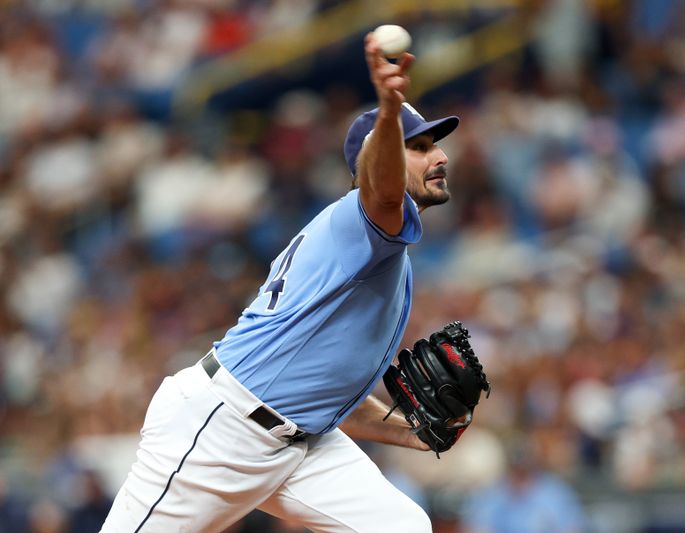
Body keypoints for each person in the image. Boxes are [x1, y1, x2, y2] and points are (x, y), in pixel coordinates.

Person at [101, 31, 459, 533]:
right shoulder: (366, 219)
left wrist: (413, 431)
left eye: (433, 146)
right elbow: (379, 187)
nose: (440, 157)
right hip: (220, 430)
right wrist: (386, 106)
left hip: (301, 442)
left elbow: (323, 393)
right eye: (418, 148)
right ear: (377, 165)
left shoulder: (378, 249)